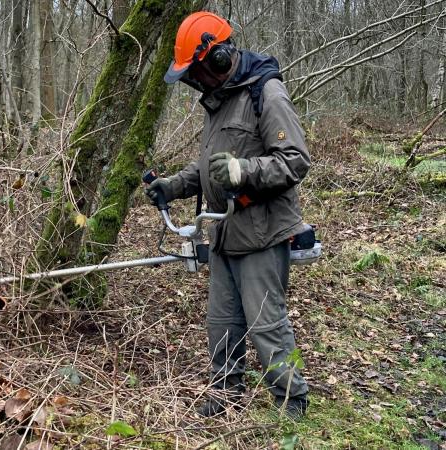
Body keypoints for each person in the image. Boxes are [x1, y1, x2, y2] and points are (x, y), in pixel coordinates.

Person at [145, 11, 311, 418]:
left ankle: (292, 398)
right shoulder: (220, 101)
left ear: (218, 58)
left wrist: (244, 170)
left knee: (265, 322)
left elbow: (295, 161)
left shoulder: (266, 93)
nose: (195, 81)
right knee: (222, 322)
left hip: (262, 231)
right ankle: (226, 391)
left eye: (198, 71)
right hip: (223, 231)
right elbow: (210, 167)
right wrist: (174, 185)